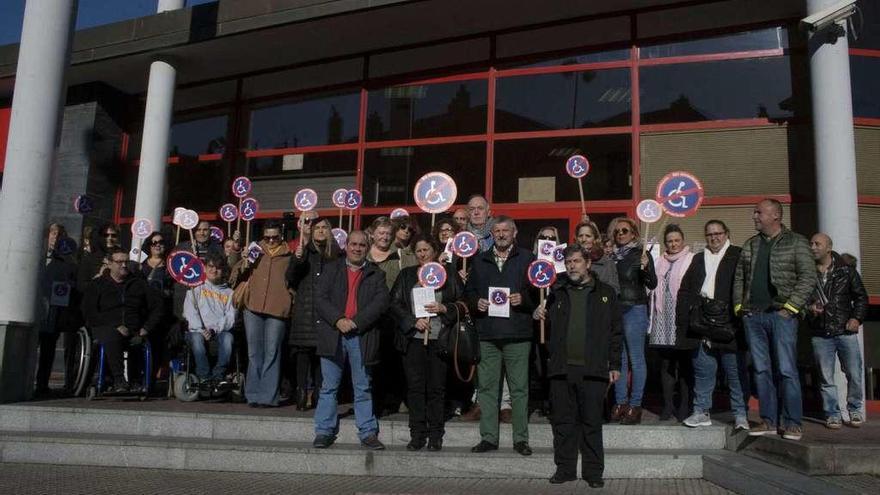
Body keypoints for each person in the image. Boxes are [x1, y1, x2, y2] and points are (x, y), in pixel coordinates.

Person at [534, 244, 622, 487]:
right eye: (568, 262)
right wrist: (538, 316)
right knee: (563, 423)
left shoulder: (606, 293)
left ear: (588, 263)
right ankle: (565, 469)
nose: (572, 266)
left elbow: (616, 332)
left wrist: (614, 364)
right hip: (562, 369)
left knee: (592, 423)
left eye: (576, 261)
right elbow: (544, 330)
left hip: (593, 369)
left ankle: (593, 473)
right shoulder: (556, 292)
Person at [734, 199, 814, 441]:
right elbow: (739, 278)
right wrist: (740, 307)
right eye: (754, 212)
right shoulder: (751, 244)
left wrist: (790, 308)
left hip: (782, 315)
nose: (754, 216)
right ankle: (768, 420)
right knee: (761, 370)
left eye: (759, 212)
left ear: (776, 215)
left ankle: (792, 423)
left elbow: (808, 277)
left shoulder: (796, 242)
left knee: (787, 369)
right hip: (753, 316)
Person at [465, 216, 536, 456]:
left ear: (514, 233)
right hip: (487, 334)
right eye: (497, 231)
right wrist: (477, 302)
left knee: (519, 389)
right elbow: (469, 292)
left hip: (518, 333)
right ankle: (488, 438)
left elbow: (541, 293)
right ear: (491, 234)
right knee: (487, 388)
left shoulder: (527, 258)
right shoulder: (480, 259)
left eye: (506, 230)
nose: (501, 234)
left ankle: (520, 439)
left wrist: (523, 299)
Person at [313, 230, 389, 450]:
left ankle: (367, 432)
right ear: (346, 246)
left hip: (361, 336)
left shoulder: (377, 274)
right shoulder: (331, 269)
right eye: (353, 244)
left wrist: (356, 322)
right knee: (329, 387)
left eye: (362, 245)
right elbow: (320, 298)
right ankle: (324, 431)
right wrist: (338, 319)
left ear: (368, 247)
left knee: (363, 386)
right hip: (333, 334)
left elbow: (381, 303)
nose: (357, 248)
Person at [389, 234, 465, 451]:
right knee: (415, 388)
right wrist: (413, 321)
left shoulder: (448, 274)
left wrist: (445, 309)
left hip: (440, 340)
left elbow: (462, 302)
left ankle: (435, 434)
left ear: (434, 251)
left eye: (426, 250)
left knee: (436, 388)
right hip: (413, 340)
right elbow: (394, 304)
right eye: (419, 251)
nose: (422, 254)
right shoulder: (406, 275)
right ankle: (417, 433)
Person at [677, 221, 750, 431]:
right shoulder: (699, 258)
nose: (714, 238)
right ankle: (701, 411)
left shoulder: (738, 254)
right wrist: (686, 314)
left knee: (735, 371)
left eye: (718, 233)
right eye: (709, 234)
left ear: (726, 234)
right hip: (702, 322)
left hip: (730, 322)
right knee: (703, 370)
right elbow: (685, 289)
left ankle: (740, 414)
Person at [806, 233, 868, 429]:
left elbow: (861, 297)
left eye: (817, 244)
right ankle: (832, 413)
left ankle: (855, 408)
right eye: (811, 244)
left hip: (845, 330)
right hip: (820, 332)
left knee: (854, 373)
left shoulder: (846, 271)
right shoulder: (807, 272)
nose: (813, 247)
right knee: (825, 377)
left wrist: (856, 318)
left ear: (828, 247)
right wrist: (809, 309)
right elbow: (800, 300)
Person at [81, 246, 162, 392]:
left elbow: (157, 307)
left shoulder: (138, 284)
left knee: (138, 341)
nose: (124, 265)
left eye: (126, 262)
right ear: (110, 264)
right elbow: (89, 311)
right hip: (106, 326)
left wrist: (147, 327)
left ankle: (136, 380)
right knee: (112, 337)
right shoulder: (98, 285)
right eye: (119, 262)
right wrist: (115, 324)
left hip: (134, 327)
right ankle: (118, 379)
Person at [230, 221, 292, 408]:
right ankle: (253, 394)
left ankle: (268, 396)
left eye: (275, 237)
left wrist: (290, 296)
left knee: (272, 351)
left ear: (281, 236)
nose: (271, 241)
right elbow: (234, 271)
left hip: (277, 308)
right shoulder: (255, 250)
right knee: (254, 352)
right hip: (253, 306)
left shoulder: (289, 254)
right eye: (267, 237)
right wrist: (242, 258)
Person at [286, 215, 341, 410]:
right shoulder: (304, 252)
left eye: (324, 228)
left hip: (326, 313)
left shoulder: (336, 254)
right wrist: (297, 259)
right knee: (303, 353)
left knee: (322, 354)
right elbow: (290, 278)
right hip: (305, 311)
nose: (320, 231)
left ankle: (318, 393)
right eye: (317, 228)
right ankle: (302, 392)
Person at [608, 217, 656, 425]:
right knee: (619, 359)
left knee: (636, 359)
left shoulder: (641, 254)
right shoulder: (611, 256)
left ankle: (635, 405)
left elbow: (652, 283)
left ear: (634, 233)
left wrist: (646, 267)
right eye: (617, 231)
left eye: (625, 231)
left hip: (634, 308)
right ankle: (620, 403)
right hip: (616, 310)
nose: (620, 234)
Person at [367, 216, 416, 416]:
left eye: (388, 233)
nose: (385, 237)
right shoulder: (364, 256)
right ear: (372, 234)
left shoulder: (401, 256)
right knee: (371, 361)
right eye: (381, 233)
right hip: (368, 317)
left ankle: (392, 400)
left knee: (393, 362)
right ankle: (373, 401)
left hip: (393, 318)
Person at [648, 224, 696, 422]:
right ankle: (668, 405)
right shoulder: (659, 261)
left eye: (677, 240)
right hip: (663, 318)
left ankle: (685, 405)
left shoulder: (692, 259)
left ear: (682, 240)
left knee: (684, 364)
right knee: (666, 364)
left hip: (682, 318)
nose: (674, 244)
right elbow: (651, 286)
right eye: (670, 241)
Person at [36, 223, 80, 395]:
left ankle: (42, 384)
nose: (55, 237)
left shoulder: (67, 260)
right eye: (52, 233)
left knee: (48, 348)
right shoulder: (34, 253)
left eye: (58, 234)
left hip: (55, 311)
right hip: (35, 306)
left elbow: (74, 282)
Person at [182, 253, 236, 385]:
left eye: (218, 267)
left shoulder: (230, 293)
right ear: (205, 268)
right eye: (210, 266)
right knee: (196, 338)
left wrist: (214, 329)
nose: (214, 270)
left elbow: (230, 317)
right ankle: (204, 376)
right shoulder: (194, 289)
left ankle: (219, 375)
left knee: (228, 338)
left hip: (218, 331)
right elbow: (190, 313)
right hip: (197, 332)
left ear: (223, 271)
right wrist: (200, 330)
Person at [574, 221, 619, 293]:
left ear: (595, 239)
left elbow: (614, 290)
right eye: (580, 236)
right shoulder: (571, 261)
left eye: (588, 236)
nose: (584, 239)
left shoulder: (607, 262)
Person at [77, 223, 120, 290]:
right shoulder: (89, 257)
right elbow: (81, 286)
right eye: (106, 235)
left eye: (113, 235)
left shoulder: (123, 255)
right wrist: (99, 277)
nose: (109, 238)